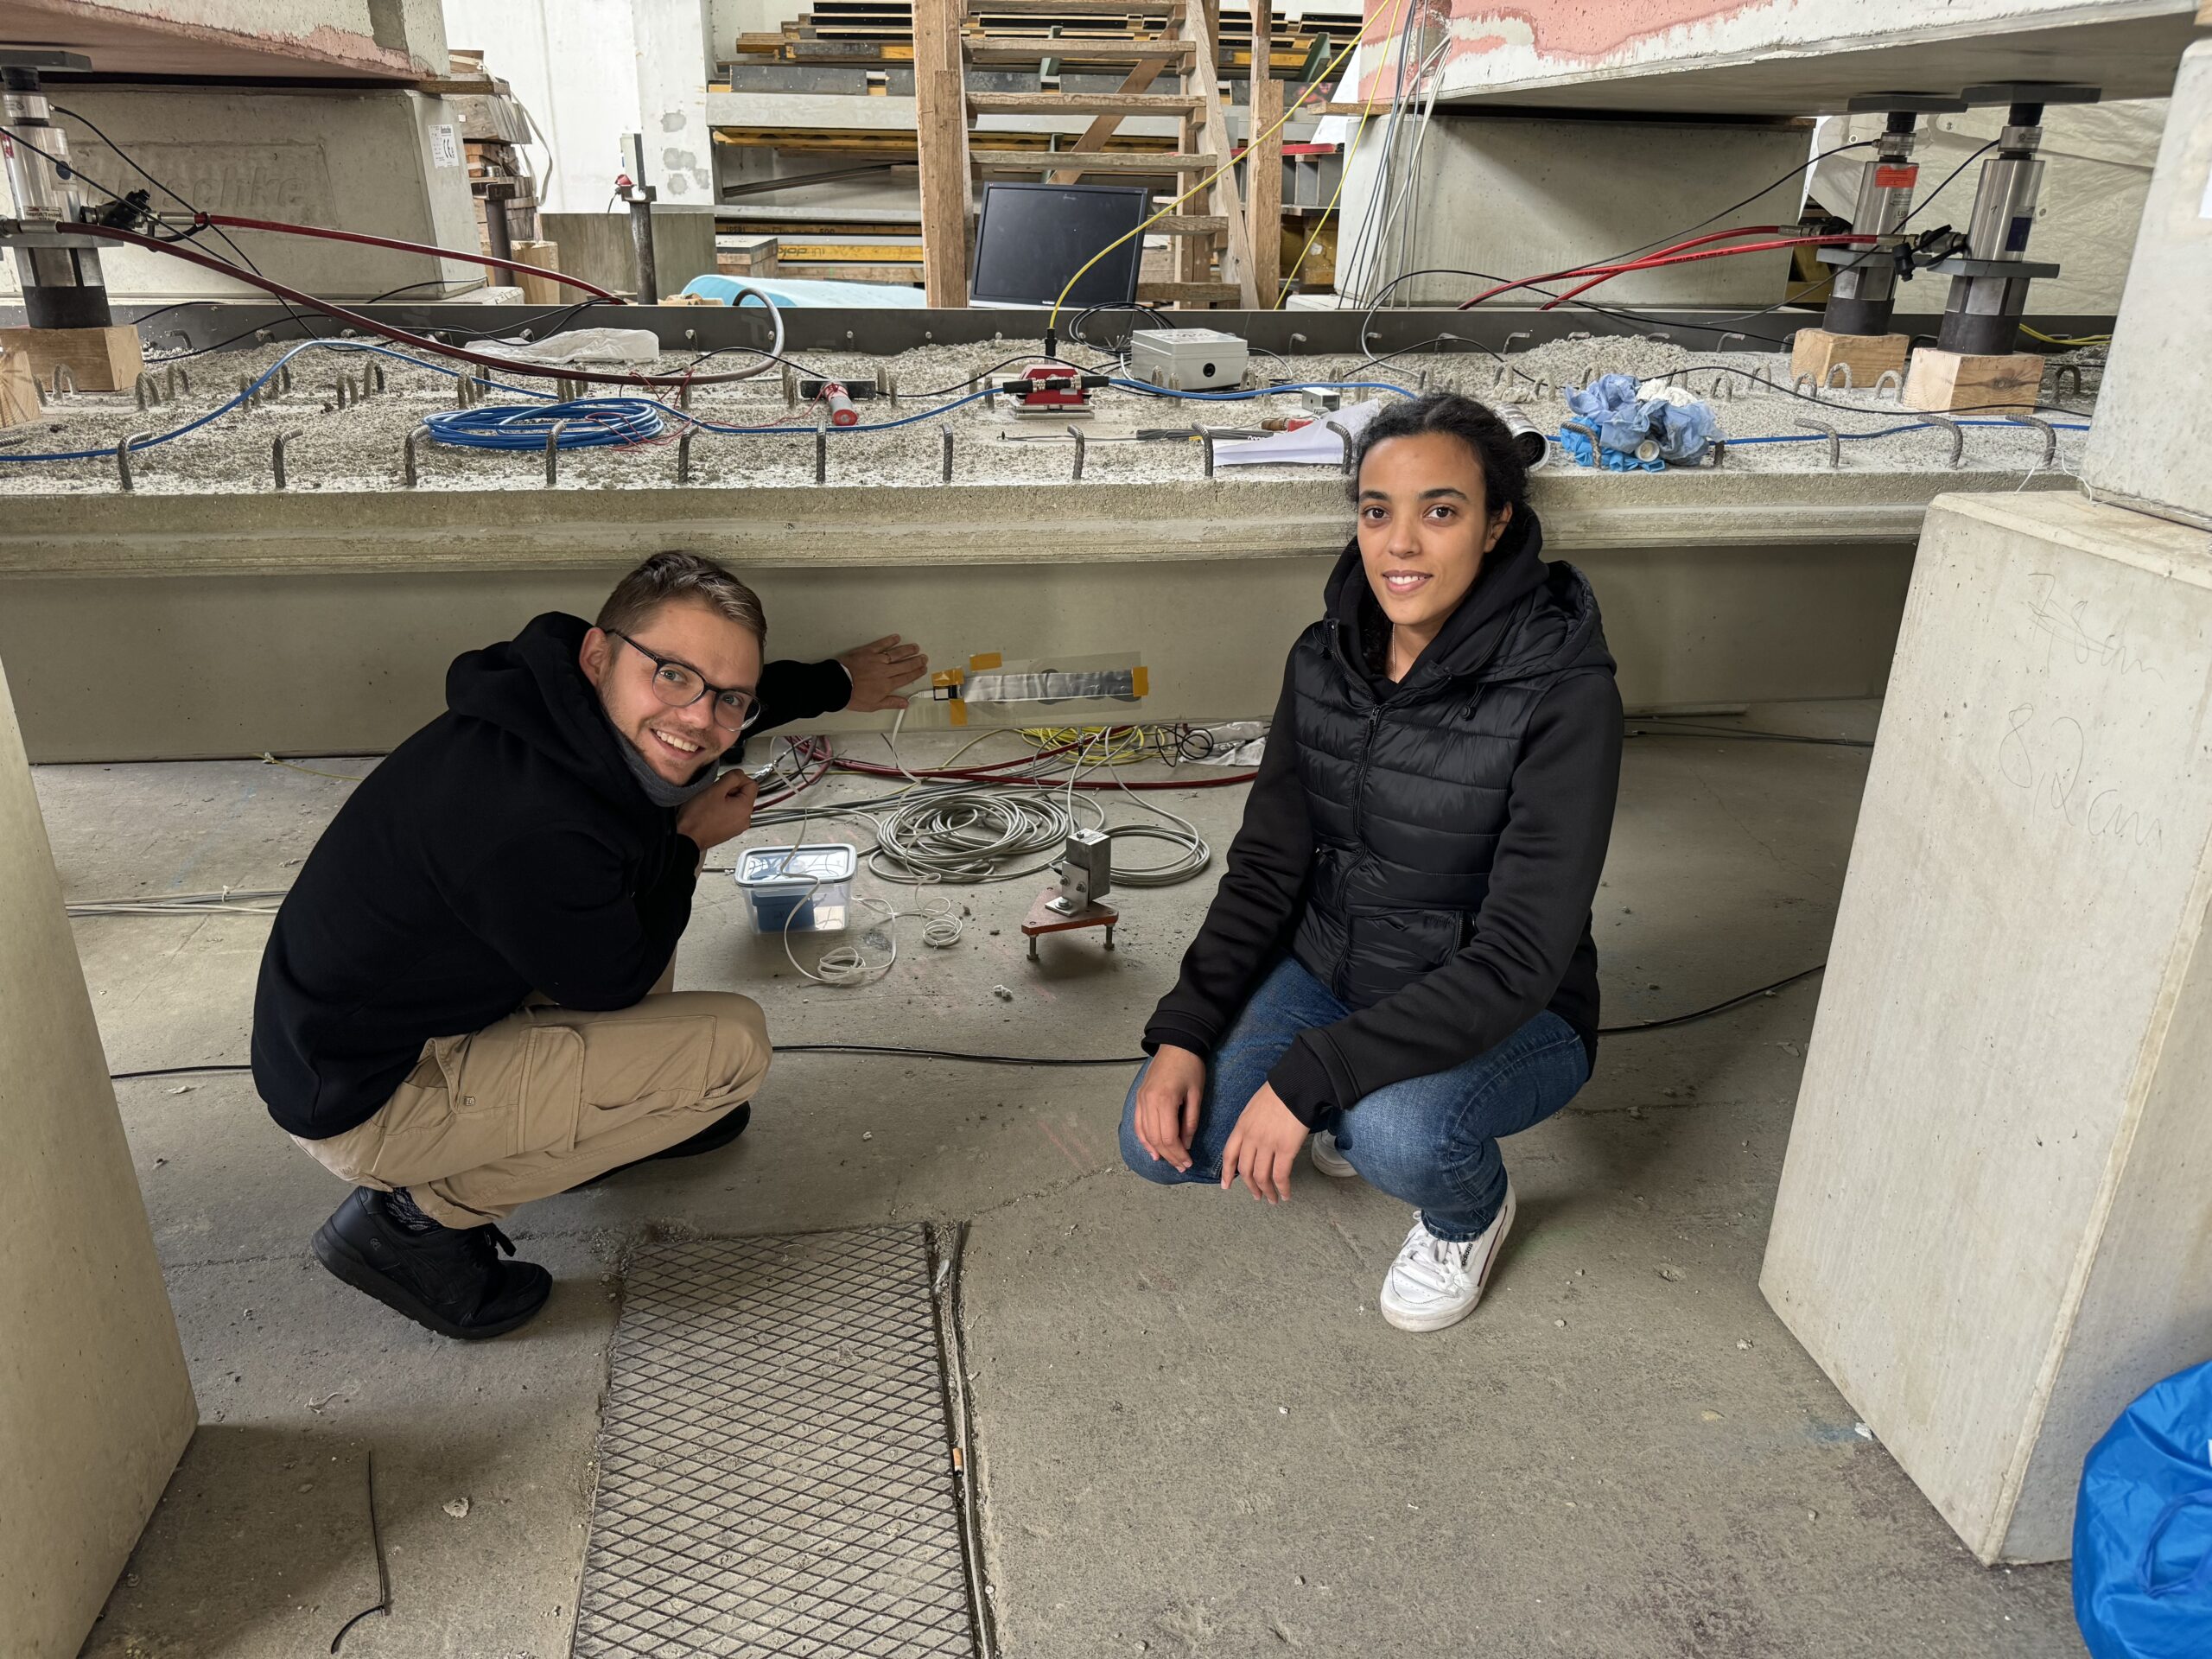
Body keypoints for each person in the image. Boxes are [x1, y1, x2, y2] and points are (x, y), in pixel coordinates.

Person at [251, 551, 926, 1340]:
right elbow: (616, 981)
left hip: (383, 1019)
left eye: (728, 698)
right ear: (600, 655)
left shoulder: (555, 709)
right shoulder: (532, 823)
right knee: (729, 1049)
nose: (699, 718)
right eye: (671, 675)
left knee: (644, 903)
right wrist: (687, 844)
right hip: (371, 1099)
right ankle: (412, 1224)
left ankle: (603, 1120)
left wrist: (835, 683)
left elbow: (706, 699)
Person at [1121, 393, 1623, 1333]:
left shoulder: (1563, 693)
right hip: (1334, 970)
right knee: (1163, 1146)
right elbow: (1266, 866)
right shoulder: (1324, 661)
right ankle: (1355, 1091)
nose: (1400, 545)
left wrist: (1312, 1078)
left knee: (1399, 1137)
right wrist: (1186, 1029)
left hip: (1518, 1007)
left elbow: (1519, 955)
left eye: (1440, 512)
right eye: (1376, 512)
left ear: (1497, 523)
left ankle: (1466, 1213)